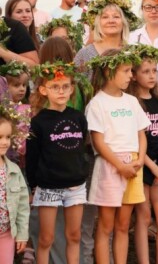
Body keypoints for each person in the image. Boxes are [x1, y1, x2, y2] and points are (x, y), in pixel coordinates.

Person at [85, 47, 150, 264]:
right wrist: (119, 166)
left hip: (134, 166)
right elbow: (98, 141)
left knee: (123, 225)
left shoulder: (131, 102)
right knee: (106, 225)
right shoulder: (97, 103)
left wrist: (140, 159)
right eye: (126, 71)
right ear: (108, 72)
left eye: (131, 70)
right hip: (109, 166)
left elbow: (141, 134)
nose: (131, 76)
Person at [26, 62, 89, 264]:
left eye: (65, 86)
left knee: (74, 236)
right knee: (46, 239)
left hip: (75, 186)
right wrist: (33, 186)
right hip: (48, 187)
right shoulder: (38, 122)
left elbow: (81, 151)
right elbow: (32, 157)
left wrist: (81, 173)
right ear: (44, 90)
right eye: (55, 86)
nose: (61, 91)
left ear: (72, 89)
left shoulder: (79, 118)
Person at [126, 45, 158, 264]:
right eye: (146, 71)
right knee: (144, 218)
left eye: (154, 70)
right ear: (134, 75)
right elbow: (135, 141)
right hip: (142, 167)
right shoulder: (133, 103)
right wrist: (152, 167)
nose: (152, 75)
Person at [74, 0, 135, 76]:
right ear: (97, 22)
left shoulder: (132, 52)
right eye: (105, 17)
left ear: (124, 22)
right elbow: (75, 86)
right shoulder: (85, 54)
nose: (111, 21)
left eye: (116, 17)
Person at [0, 109, 30, 264]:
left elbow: (23, 206)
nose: (5, 142)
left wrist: (22, 234)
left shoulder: (13, 170)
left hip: (6, 234)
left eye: (7, 137)